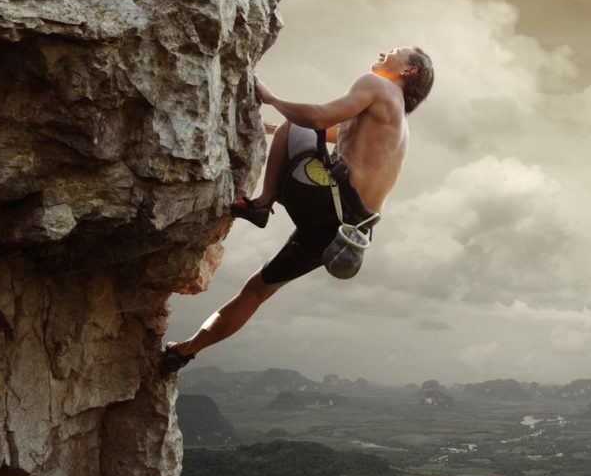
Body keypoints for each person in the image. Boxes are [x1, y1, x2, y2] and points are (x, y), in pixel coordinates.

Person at [159, 45, 434, 377]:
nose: (382, 52)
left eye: (393, 51)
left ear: (409, 71)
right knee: (258, 290)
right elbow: (331, 132)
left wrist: (272, 98)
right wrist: (270, 129)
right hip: (346, 233)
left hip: (331, 204)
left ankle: (261, 204)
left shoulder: (377, 86)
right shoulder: (396, 119)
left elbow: (315, 119)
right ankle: (182, 353)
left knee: (297, 123)